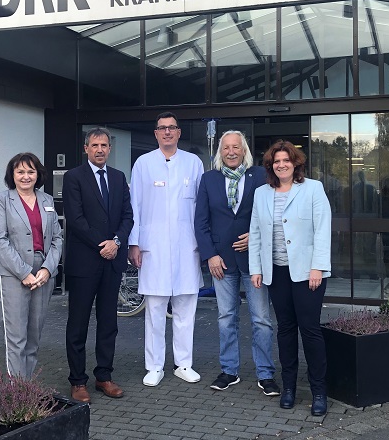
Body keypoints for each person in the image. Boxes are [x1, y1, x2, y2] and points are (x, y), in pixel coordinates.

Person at [249, 140, 332, 416]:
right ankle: (288, 388)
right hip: (277, 272)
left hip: (308, 272)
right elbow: (256, 233)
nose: (281, 165)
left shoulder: (313, 189)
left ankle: (319, 391)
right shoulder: (262, 193)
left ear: (295, 163)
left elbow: (322, 229)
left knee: (309, 330)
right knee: (285, 329)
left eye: (286, 160)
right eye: (276, 161)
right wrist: (256, 268)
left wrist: (318, 266)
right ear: (271, 166)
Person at [194, 130, 280, 396]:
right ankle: (229, 371)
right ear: (221, 152)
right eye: (226, 148)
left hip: (254, 261)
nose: (231, 152)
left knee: (262, 319)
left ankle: (265, 374)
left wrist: (254, 238)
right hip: (221, 261)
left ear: (244, 150)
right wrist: (210, 255)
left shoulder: (260, 178)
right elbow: (200, 221)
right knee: (225, 318)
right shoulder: (209, 179)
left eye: (236, 147)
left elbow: (271, 216)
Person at [128, 112, 204, 387]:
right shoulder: (143, 164)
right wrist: (134, 242)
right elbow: (134, 205)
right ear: (156, 133)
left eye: (172, 128)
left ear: (179, 132)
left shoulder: (193, 163)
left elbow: (202, 207)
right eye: (162, 128)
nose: (168, 132)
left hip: (187, 245)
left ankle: (184, 363)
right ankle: (154, 366)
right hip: (153, 246)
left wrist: (204, 245)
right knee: (155, 309)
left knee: (186, 307)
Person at [63, 128, 134, 403]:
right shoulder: (73, 177)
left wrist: (116, 242)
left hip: (112, 262)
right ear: (86, 148)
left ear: (110, 148)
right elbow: (76, 219)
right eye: (95, 145)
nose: (100, 149)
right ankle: (77, 381)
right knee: (78, 323)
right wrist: (102, 244)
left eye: (104, 145)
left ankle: (104, 376)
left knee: (108, 322)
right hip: (85, 263)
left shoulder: (118, 178)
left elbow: (128, 216)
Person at [0, 152, 63, 379]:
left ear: (38, 174)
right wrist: (24, 272)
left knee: (33, 338)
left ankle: (27, 390)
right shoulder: (3, 199)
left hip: (43, 275)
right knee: (16, 339)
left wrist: (47, 269)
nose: (25, 176)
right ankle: (16, 395)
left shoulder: (47, 200)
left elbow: (57, 238)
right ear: (12, 175)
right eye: (20, 171)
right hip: (14, 275)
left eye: (30, 171)